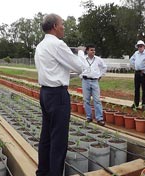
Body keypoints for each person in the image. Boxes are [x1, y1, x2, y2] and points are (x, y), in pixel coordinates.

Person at [34, 13, 85, 176]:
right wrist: (81, 52)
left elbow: (53, 70)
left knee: (47, 136)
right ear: (55, 26)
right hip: (58, 96)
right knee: (59, 139)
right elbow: (79, 66)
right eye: (62, 24)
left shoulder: (40, 46)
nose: (64, 27)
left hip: (45, 93)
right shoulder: (58, 44)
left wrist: (66, 74)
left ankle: (43, 172)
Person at [80, 44, 107, 126]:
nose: (93, 52)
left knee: (97, 100)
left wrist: (100, 75)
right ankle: (89, 117)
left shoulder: (98, 59)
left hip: (95, 81)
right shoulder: (83, 59)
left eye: (94, 50)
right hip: (85, 80)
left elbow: (104, 67)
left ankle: (99, 118)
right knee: (86, 100)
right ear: (87, 51)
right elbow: (78, 67)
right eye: (91, 50)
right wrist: (81, 76)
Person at [130, 40, 145, 109]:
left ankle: (144, 104)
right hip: (137, 72)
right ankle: (136, 103)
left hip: (143, 73)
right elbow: (131, 60)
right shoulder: (136, 53)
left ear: (144, 46)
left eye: (141, 46)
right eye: (138, 46)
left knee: (144, 89)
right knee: (136, 89)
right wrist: (134, 66)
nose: (140, 48)